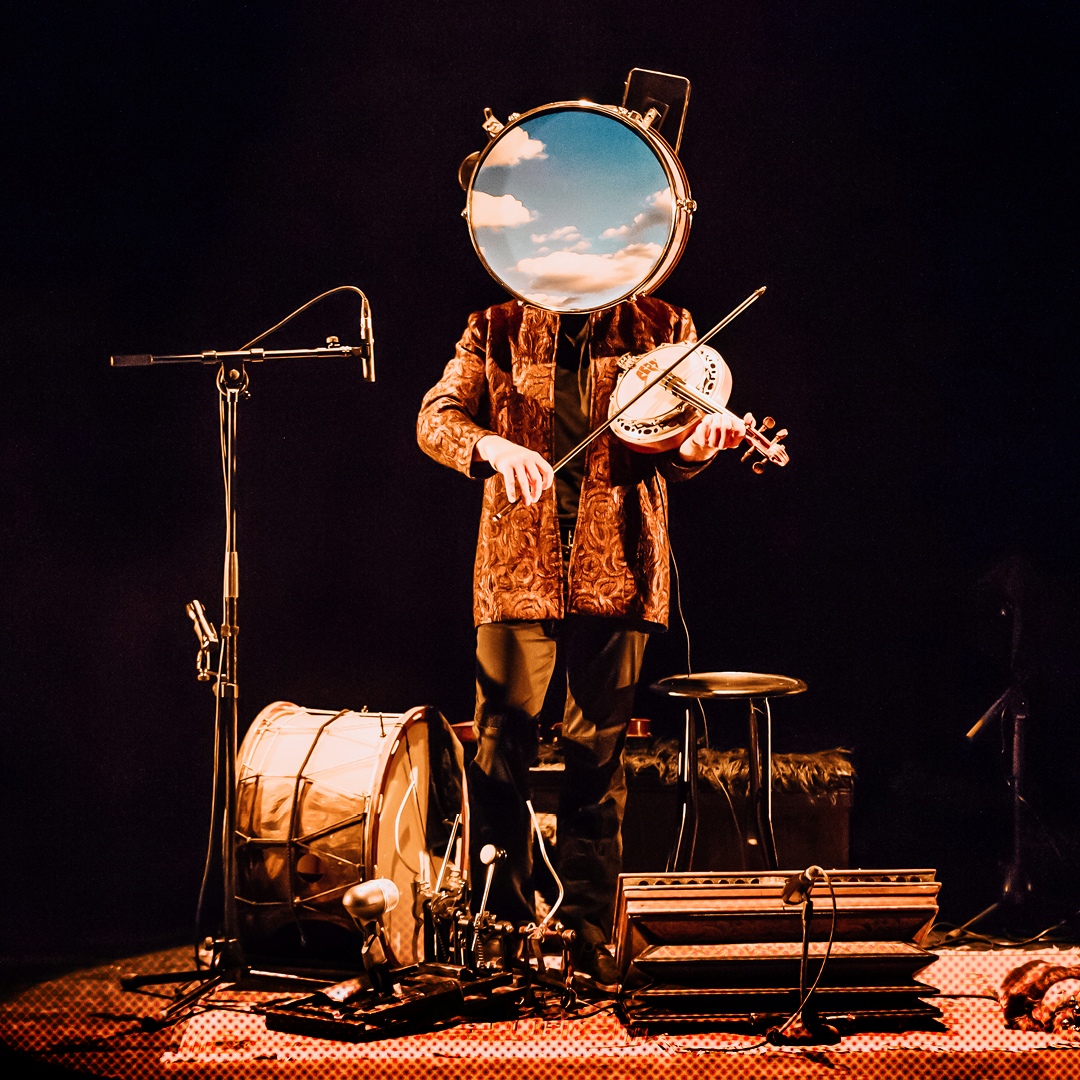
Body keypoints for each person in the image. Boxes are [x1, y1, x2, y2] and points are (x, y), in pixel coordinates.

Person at [417, 295, 749, 985]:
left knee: (596, 752)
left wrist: (696, 445)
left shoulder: (664, 326)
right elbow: (436, 418)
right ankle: (500, 928)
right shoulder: (495, 324)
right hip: (517, 562)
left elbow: (675, 449)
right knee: (500, 738)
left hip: (619, 563)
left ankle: (585, 931)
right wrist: (493, 444)